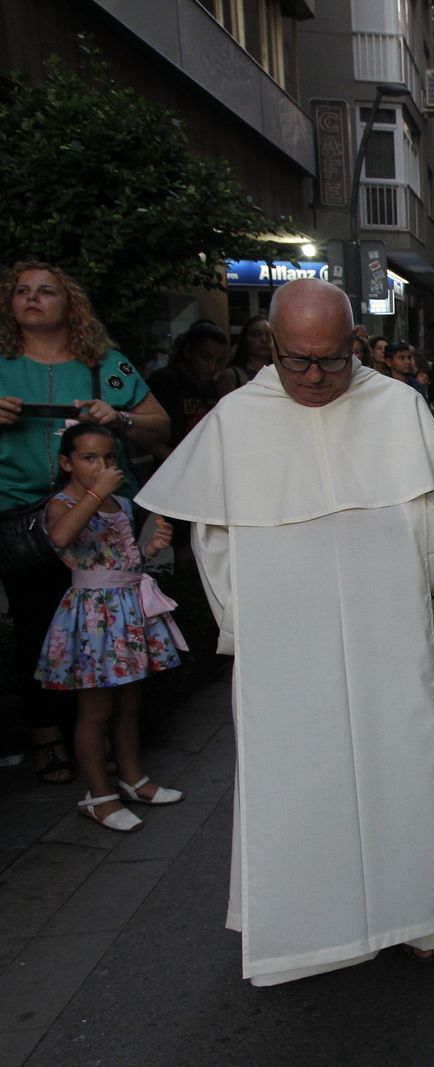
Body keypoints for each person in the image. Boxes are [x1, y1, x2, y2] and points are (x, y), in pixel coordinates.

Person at [136, 277, 434, 985]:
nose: (313, 376)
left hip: (389, 624)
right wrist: (246, 625)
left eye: (331, 361)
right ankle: (309, 926)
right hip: (285, 637)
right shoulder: (237, 419)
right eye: (297, 360)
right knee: (300, 777)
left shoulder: (397, 407)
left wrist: (411, 588)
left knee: (408, 759)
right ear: (270, 344)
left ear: (352, 346)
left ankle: (417, 910)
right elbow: (213, 539)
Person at [0, 260, 171, 786]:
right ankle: (49, 737)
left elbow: (158, 425)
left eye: (46, 291)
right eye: (22, 291)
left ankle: (109, 738)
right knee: (36, 627)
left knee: (113, 626)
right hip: (24, 517)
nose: (32, 298)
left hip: (103, 523)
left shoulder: (107, 365)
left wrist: (119, 418)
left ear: (68, 303)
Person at [39, 423, 185, 832]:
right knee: (96, 709)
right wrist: (96, 492)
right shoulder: (64, 503)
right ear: (66, 462)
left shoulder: (117, 503)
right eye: (88, 458)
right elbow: (62, 537)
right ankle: (99, 797)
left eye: (108, 458)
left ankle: (133, 778)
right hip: (92, 618)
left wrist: (148, 549)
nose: (101, 466)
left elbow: (119, 558)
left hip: (126, 612)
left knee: (129, 703)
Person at [147, 321, 225, 466]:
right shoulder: (166, 380)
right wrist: (177, 463)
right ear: (188, 352)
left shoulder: (210, 385)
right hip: (171, 469)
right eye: (206, 357)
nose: (212, 367)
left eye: (219, 360)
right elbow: (149, 436)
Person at [217, 314, 272, 396]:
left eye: (269, 335)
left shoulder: (283, 372)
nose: (264, 339)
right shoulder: (232, 375)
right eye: (256, 334)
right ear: (245, 339)